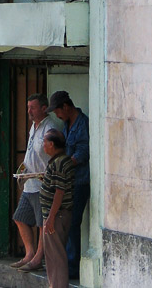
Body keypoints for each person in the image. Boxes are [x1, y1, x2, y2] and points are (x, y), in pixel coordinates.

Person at [12, 93, 58, 271]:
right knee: (20, 218)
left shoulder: (51, 127)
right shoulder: (33, 126)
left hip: (43, 183)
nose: (29, 111)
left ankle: (39, 257)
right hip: (29, 182)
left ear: (43, 108)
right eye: (28, 107)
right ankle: (29, 254)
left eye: (33, 107)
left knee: (41, 223)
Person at [48, 90, 90, 281]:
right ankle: (67, 263)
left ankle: (73, 265)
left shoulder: (82, 124)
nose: (57, 116)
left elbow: (82, 152)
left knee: (73, 222)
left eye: (58, 111)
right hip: (69, 181)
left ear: (66, 106)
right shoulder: (66, 125)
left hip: (80, 181)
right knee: (65, 222)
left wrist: (65, 164)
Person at [40, 129, 75, 288]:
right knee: (53, 256)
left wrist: (51, 218)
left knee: (56, 257)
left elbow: (59, 192)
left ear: (52, 144)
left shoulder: (60, 163)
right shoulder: (60, 161)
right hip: (56, 215)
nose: (43, 146)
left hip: (57, 215)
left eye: (45, 142)